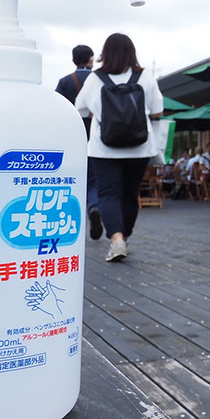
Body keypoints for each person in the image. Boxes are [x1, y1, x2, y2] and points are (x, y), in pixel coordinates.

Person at [75, 33, 163, 262]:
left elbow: (79, 108)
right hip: (139, 147)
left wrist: (98, 112)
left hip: (104, 148)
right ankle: (124, 237)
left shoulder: (95, 79)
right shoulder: (145, 77)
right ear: (132, 52)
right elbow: (157, 111)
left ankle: (116, 240)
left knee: (108, 194)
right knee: (130, 194)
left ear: (105, 53)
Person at [54, 44, 100, 234]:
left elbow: (57, 110)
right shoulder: (99, 79)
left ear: (74, 60)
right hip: (97, 136)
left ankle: (72, 212)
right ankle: (94, 206)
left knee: (74, 175)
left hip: (73, 137)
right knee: (94, 177)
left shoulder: (65, 82)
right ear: (90, 59)